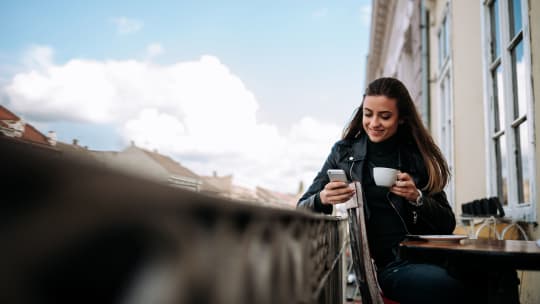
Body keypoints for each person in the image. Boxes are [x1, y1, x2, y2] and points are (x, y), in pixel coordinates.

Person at [297, 77, 465, 303]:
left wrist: (417, 198)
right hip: (389, 267)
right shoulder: (344, 153)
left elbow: (447, 224)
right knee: (453, 288)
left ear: (402, 118)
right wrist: (323, 198)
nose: (374, 123)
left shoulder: (415, 156)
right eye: (368, 114)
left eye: (385, 116)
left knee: (498, 275)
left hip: (435, 257)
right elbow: (302, 207)